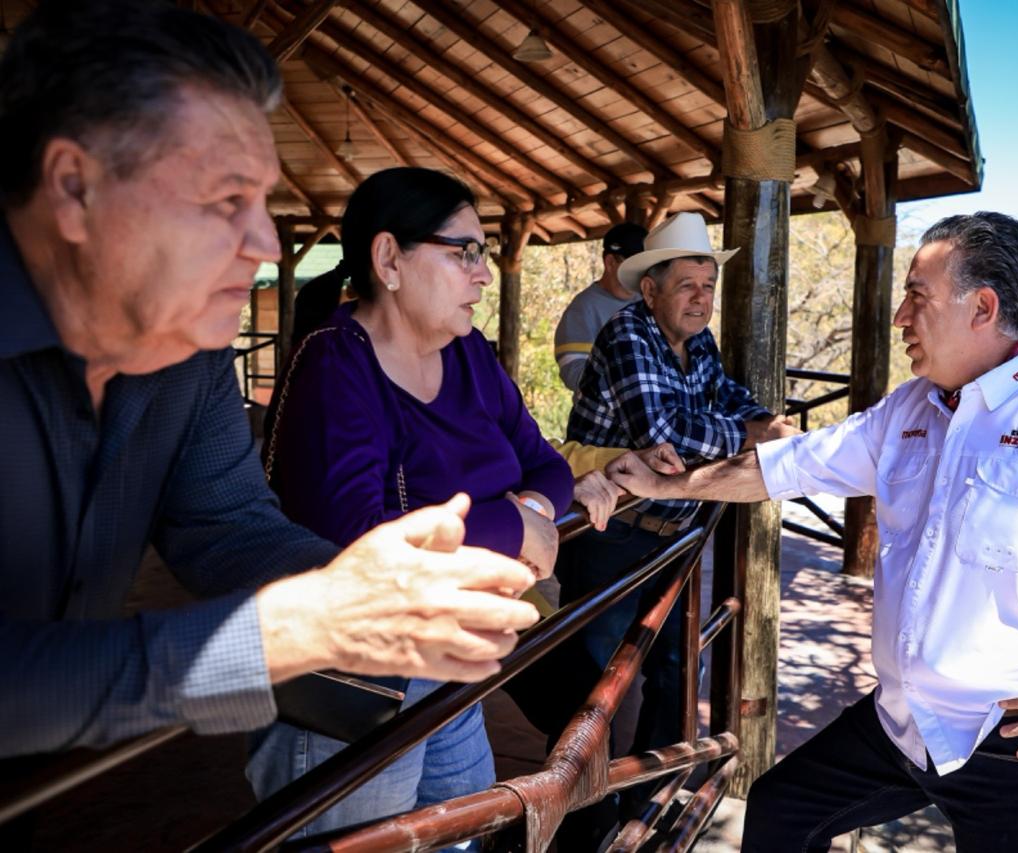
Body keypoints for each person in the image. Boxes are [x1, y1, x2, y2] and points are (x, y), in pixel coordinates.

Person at [608, 212, 1018, 852]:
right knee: (783, 809)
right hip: (900, 722)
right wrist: (666, 483)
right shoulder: (911, 408)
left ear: (981, 308)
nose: (900, 317)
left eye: (916, 297)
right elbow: (786, 464)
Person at [0, 0, 539, 762]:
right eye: (227, 200)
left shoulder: (184, 358)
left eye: (260, 203)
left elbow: (226, 526)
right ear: (74, 189)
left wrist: (371, 590)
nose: (262, 243)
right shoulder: (316, 354)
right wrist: (288, 631)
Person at [246, 167, 574, 839]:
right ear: (389, 259)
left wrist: (535, 512)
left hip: (447, 658)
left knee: (459, 831)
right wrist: (511, 523)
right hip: (352, 684)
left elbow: (547, 463)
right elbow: (355, 535)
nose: (484, 275)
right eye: (466, 252)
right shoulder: (336, 366)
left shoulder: (472, 357)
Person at [556, 212, 795, 843]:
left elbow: (727, 401)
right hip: (608, 534)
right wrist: (747, 437)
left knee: (668, 672)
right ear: (650, 289)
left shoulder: (699, 342)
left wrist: (764, 422)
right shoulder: (627, 335)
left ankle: (647, 802)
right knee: (596, 687)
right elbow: (663, 433)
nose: (701, 298)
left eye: (709, 285)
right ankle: (585, 819)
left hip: (670, 537)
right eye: (687, 284)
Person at [553, 222, 647, 392]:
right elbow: (574, 375)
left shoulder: (649, 302)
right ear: (610, 262)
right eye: (634, 267)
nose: (642, 275)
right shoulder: (582, 310)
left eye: (646, 267)